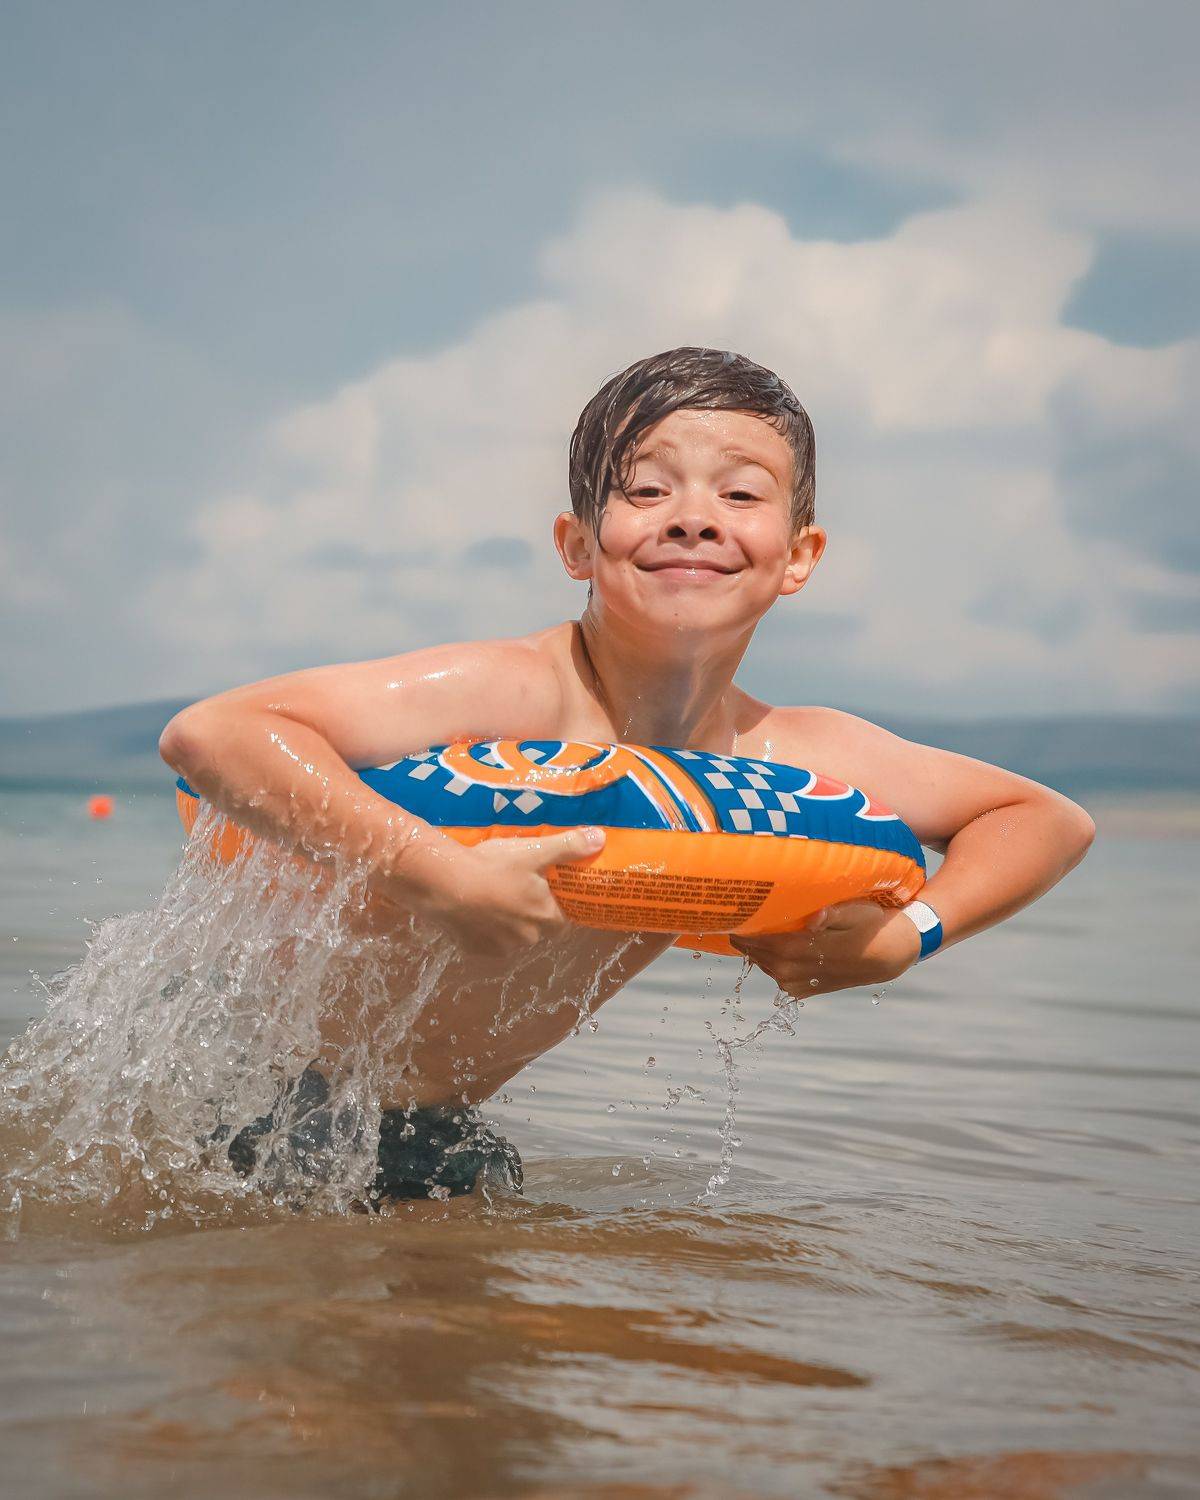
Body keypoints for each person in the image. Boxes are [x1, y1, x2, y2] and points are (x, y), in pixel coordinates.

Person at [158, 346, 1095, 1201]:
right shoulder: (512, 693)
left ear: (799, 556)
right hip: (250, 1104)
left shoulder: (786, 752)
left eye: (741, 494)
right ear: (576, 544)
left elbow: (1046, 818)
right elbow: (216, 732)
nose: (693, 518)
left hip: (435, 1132)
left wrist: (908, 938)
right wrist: (437, 873)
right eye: (646, 490)